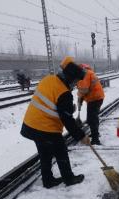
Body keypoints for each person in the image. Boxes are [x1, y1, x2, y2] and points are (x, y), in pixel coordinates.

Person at [20, 56, 90, 189]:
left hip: (30, 125)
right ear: (69, 78)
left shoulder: (49, 79)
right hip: (45, 127)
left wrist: (69, 109)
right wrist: (81, 136)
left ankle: (48, 180)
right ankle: (69, 178)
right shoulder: (64, 93)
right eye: (75, 81)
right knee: (60, 150)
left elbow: (52, 103)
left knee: (45, 154)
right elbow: (68, 121)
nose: (75, 85)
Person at [77, 64, 105, 145]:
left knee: (92, 119)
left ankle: (95, 139)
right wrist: (80, 99)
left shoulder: (84, 74)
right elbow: (85, 88)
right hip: (96, 97)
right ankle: (94, 133)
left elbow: (84, 89)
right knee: (91, 118)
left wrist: (80, 98)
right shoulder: (88, 72)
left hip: (94, 98)